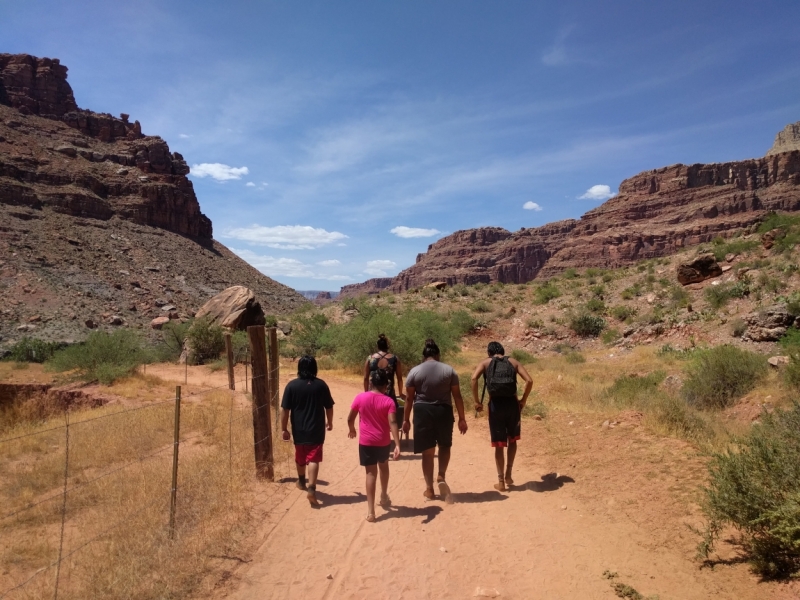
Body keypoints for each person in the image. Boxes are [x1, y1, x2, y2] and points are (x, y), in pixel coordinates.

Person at [402, 338, 468, 503]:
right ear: (438, 355)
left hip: (422, 412)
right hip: (443, 411)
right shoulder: (449, 370)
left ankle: (429, 489)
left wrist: (406, 420)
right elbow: (457, 396)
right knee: (445, 445)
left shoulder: (414, 372)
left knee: (427, 451)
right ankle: (441, 475)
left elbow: (409, 399)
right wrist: (462, 418)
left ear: (424, 356)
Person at [470, 342, 533, 492]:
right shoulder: (513, 362)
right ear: (503, 352)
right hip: (512, 404)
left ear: (489, 353)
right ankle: (509, 475)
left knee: (499, 444)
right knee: (512, 440)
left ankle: (501, 482)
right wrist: (523, 400)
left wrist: (476, 402)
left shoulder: (486, 363)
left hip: (495, 406)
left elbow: (473, 378)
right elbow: (529, 380)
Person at [348, 369, 402, 522]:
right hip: (383, 442)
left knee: (370, 474)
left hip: (366, 442)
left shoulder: (360, 398)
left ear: (370, 383)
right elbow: (392, 422)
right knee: (383, 467)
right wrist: (397, 444)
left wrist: (352, 429)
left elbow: (350, 418)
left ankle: (371, 511)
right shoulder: (388, 401)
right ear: (386, 386)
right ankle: (384, 495)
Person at [280, 355, 334, 507]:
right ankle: (312, 488)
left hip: (299, 428)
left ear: (299, 369)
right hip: (316, 429)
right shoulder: (321, 385)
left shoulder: (291, 386)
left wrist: (284, 428)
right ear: (314, 368)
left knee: (300, 455)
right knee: (314, 458)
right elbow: (329, 407)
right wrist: (330, 422)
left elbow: (285, 410)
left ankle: (302, 481)